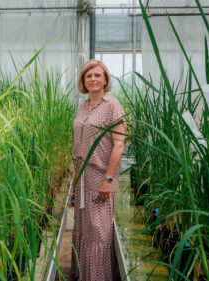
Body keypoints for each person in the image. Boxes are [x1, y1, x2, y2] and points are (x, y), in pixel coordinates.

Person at [71, 59, 126, 281]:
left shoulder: (112, 105)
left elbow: (119, 144)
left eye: (97, 75)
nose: (93, 79)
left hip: (100, 175)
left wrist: (108, 179)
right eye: (88, 76)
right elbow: (79, 143)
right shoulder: (83, 106)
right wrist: (75, 176)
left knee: (98, 231)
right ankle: (85, 275)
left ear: (105, 80)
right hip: (83, 175)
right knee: (84, 227)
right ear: (83, 81)